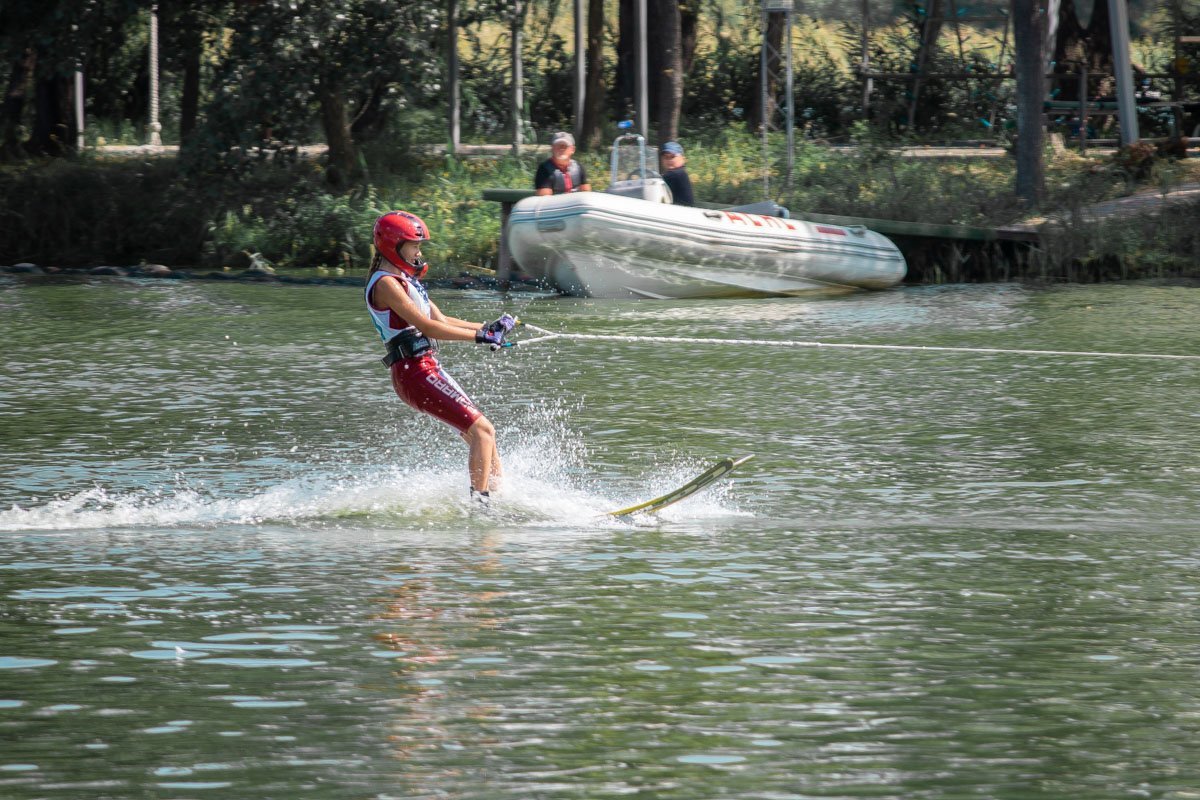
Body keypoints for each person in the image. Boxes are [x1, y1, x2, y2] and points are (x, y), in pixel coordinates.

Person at [365, 210, 515, 504]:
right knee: (483, 431)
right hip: (413, 373)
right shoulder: (386, 284)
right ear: (393, 245)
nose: (419, 253)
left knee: (484, 438)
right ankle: (480, 508)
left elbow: (442, 318)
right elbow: (427, 327)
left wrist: (489, 328)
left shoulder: (406, 281)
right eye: (414, 246)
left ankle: (497, 499)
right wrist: (478, 337)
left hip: (427, 367)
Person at [534, 131, 591, 195]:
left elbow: (586, 194)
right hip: (555, 204)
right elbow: (544, 199)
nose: (561, 149)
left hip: (577, 204)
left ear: (572, 150)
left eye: (564, 146)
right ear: (552, 149)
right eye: (558, 146)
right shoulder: (544, 170)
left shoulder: (579, 167)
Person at [658, 141, 695, 206]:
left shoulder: (676, 174)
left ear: (683, 158)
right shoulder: (681, 173)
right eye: (666, 157)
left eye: (672, 157)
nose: (669, 160)